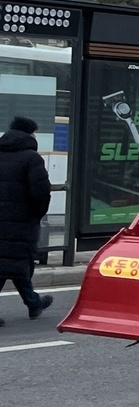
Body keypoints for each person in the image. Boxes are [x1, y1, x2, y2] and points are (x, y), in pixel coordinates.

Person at [0, 116, 53, 326]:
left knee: (12, 262)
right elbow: (41, 194)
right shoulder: (31, 158)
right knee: (13, 262)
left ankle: (34, 302)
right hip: (20, 223)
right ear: (30, 134)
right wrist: (35, 215)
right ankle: (33, 303)